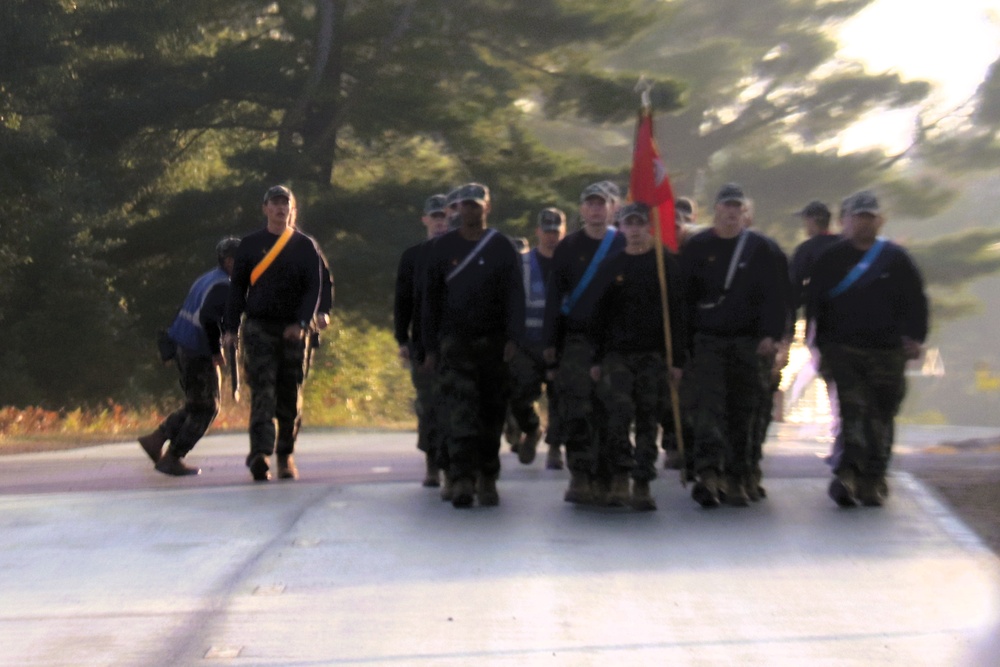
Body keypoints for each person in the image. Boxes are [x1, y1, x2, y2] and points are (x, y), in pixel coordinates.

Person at [807, 190, 928, 507]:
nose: (864, 223)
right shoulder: (831, 259)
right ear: (845, 220)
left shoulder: (896, 259)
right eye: (858, 217)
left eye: (870, 217)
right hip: (844, 350)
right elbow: (815, 306)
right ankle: (847, 474)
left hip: (887, 353)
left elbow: (916, 301)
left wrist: (915, 337)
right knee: (852, 414)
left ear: (880, 220)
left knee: (881, 417)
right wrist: (819, 347)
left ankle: (872, 478)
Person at [681, 183, 788, 508]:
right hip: (707, 343)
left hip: (750, 345)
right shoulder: (698, 247)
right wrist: (682, 344)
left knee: (744, 413)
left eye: (737, 208)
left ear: (746, 213)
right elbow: (683, 298)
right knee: (708, 412)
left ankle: (739, 475)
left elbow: (779, 297)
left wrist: (774, 337)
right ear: (716, 210)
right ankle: (709, 474)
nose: (731, 213)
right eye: (726, 207)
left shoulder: (764, 250)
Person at [421, 182, 525, 508]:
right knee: (459, 415)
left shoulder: (501, 248)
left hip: (493, 346)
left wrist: (514, 338)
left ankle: (488, 478)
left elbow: (516, 298)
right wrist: (430, 347)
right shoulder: (443, 249)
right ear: (457, 209)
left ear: (487, 208)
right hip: (455, 345)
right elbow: (431, 301)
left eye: (476, 205)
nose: (470, 211)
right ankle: (462, 477)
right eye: (465, 205)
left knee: (491, 415)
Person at [222, 185, 323, 482]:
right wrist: (230, 328)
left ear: (293, 209)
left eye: (286, 204)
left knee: (290, 395)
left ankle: (285, 454)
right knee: (262, 392)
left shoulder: (304, 245)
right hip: (259, 328)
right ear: (265, 208)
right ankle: (260, 454)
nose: (281, 209)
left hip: (293, 330)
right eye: (275, 203)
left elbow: (314, 288)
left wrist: (302, 323)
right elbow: (237, 289)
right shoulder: (251, 246)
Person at [589, 203, 687, 510]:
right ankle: (620, 476)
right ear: (622, 228)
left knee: (648, 418)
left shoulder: (664, 264)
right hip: (618, 355)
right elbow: (597, 316)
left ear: (649, 227)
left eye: (639, 224)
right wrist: (596, 358)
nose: (634, 230)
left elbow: (678, 315)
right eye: (628, 224)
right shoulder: (611, 265)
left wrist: (678, 360)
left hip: (653, 355)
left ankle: (642, 482)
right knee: (617, 418)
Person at [542, 181, 625, 504]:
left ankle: (610, 475)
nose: (595, 210)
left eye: (601, 204)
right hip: (576, 340)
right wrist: (550, 341)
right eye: (590, 204)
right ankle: (580, 474)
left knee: (612, 409)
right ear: (581, 209)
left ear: (612, 208)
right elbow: (554, 296)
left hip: (615, 343)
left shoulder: (621, 244)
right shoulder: (568, 247)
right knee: (577, 408)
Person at [138, 237, 241, 476]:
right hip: (198, 350)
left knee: (197, 403)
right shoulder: (223, 285)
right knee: (207, 408)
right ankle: (173, 457)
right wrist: (216, 352)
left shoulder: (209, 278)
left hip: (185, 345)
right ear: (228, 261)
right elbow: (208, 319)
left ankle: (157, 438)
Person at [394, 193, 450, 487]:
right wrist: (401, 338)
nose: (441, 222)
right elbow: (402, 301)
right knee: (428, 405)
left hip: (456, 341)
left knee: (455, 404)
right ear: (426, 219)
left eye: (445, 217)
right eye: (436, 217)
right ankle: (432, 463)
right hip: (422, 342)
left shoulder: (460, 253)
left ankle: (453, 463)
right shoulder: (413, 256)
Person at [507, 207, 567, 468]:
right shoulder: (521, 264)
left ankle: (555, 447)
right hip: (527, 344)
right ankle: (532, 429)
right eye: (547, 231)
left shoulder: (571, 264)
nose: (551, 236)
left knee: (560, 397)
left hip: (561, 342)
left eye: (556, 231)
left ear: (563, 233)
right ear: (537, 232)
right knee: (518, 395)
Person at [785, 200, 842, 436]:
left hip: (820, 323)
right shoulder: (844, 246)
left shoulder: (807, 250)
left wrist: (787, 327)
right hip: (850, 324)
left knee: (829, 375)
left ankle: (839, 423)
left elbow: (792, 291)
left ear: (812, 220)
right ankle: (844, 425)